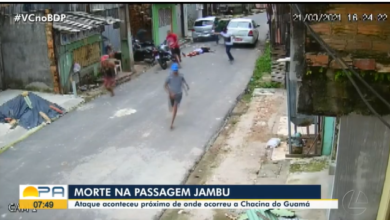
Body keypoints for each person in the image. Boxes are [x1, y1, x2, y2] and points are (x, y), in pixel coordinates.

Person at [164, 63, 189, 130]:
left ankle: (171, 123)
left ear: (177, 70)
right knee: (172, 108)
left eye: (176, 70)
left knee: (175, 107)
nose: (175, 72)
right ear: (172, 70)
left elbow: (183, 81)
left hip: (178, 94)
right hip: (171, 94)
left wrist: (187, 86)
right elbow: (165, 86)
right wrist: (170, 92)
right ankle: (172, 106)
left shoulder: (180, 76)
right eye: (174, 71)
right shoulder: (169, 77)